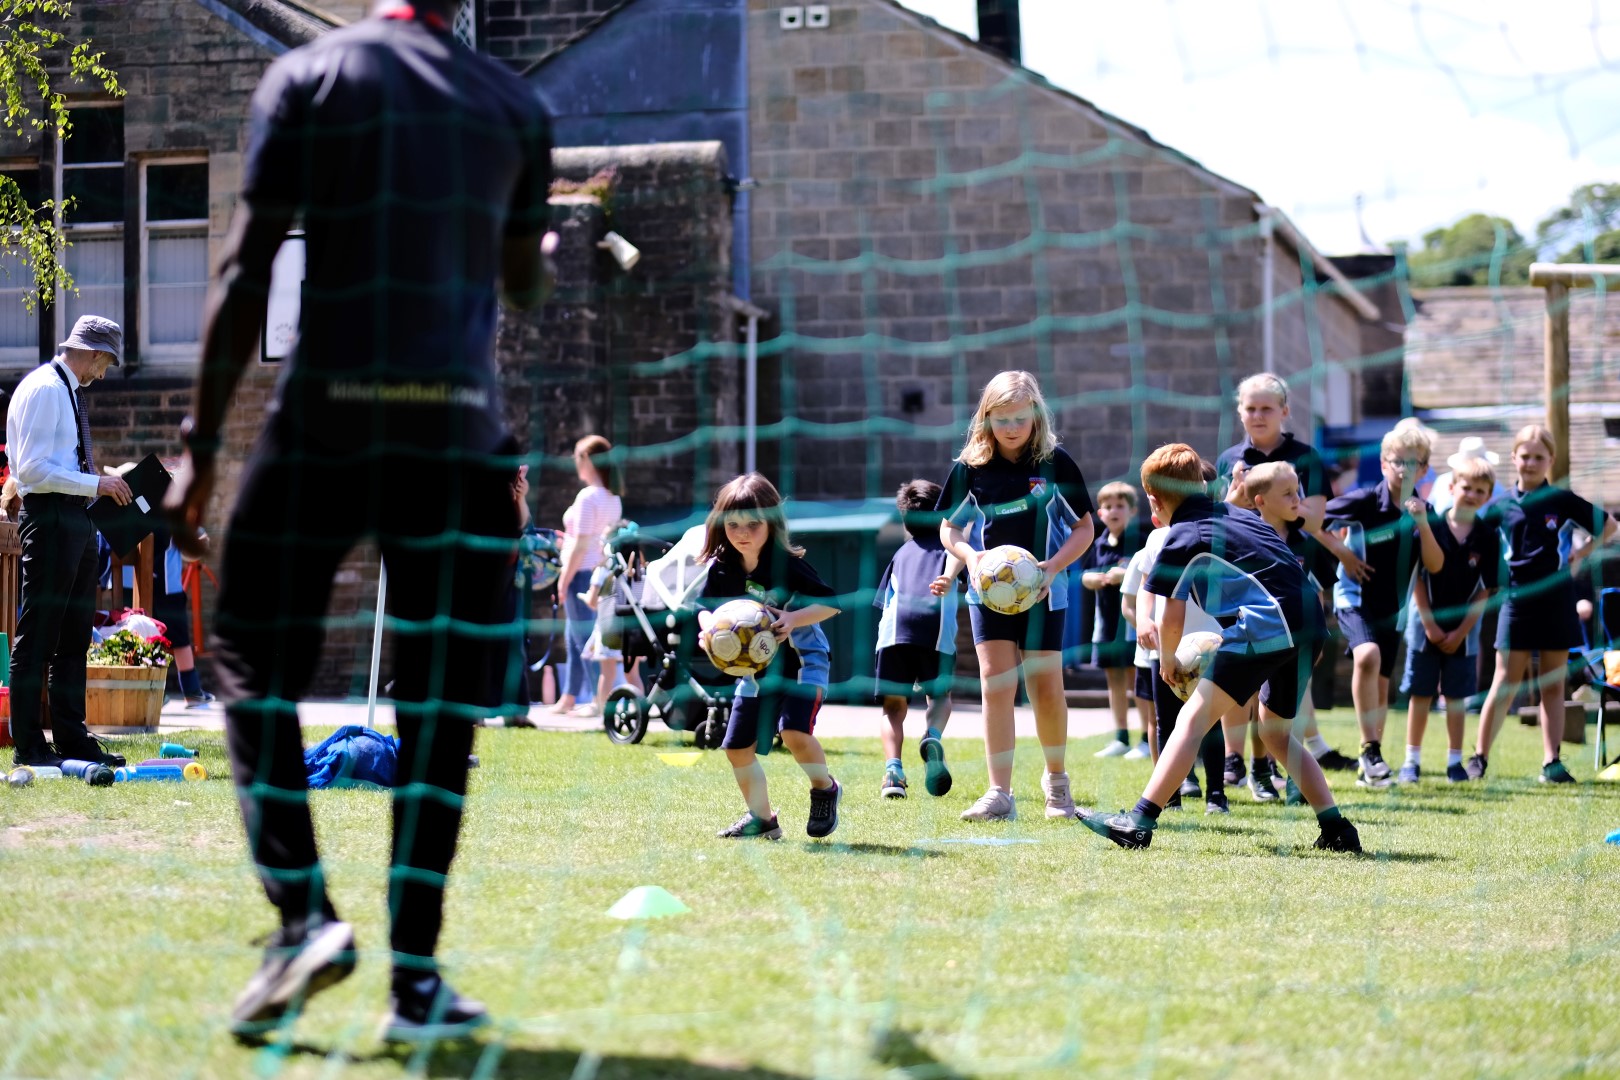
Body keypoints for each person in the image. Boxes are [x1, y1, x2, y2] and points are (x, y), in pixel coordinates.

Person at [163, 0, 555, 1043]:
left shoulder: (310, 75)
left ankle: (304, 917)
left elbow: (247, 268)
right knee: (439, 710)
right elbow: (523, 284)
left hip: (330, 416)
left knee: (247, 654)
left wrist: (201, 447)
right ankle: (415, 980)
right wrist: (536, 241)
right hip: (460, 437)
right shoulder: (513, 106)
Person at [1077, 443, 1361, 853]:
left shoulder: (1182, 536)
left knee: (1191, 719)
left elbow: (1170, 617)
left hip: (1268, 623)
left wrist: (1168, 661)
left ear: (1154, 501)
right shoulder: (1238, 515)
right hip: (1311, 624)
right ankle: (1337, 828)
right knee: (1275, 732)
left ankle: (1139, 821)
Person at [938, 370, 1095, 821]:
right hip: (988, 594)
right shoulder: (970, 467)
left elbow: (1085, 528)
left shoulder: (1055, 463)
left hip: (1044, 592)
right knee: (996, 685)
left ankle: (1057, 786)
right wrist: (971, 557)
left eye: (1019, 418)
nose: (1010, 428)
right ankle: (999, 794)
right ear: (986, 418)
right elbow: (949, 528)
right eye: (1001, 418)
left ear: (1036, 416)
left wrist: (1054, 566)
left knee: (1044, 688)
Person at [5, 315, 132, 770]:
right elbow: (32, 470)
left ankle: (72, 739)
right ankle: (29, 746)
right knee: (38, 634)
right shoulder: (45, 389)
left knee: (75, 638)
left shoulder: (68, 390)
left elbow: (59, 464)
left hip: (76, 519)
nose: (105, 374)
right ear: (95, 354)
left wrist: (97, 487)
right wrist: (95, 484)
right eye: (107, 363)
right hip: (51, 517)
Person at [1215, 372, 1357, 773]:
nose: (1258, 416)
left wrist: (1279, 499)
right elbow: (1219, 522)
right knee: (1239, 664)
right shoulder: (1229, 460)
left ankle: (1272, 757)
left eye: (1267, 408)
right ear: (1240, 412)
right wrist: (1237, 497)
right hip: (1242, 575)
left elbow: (1315, 520)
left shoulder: (1306, 457)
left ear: (1285, 411)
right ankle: (1233, 759)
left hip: (1294, 571)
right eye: (1251, 408)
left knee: (1285, 670)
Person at [691, 473, 842, 839]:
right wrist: (709, 628)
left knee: (793, 733)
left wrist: (793, 619)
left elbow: (831, 604)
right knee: (737, 748)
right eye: (733, 524)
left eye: (753, 524)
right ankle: (762, 820)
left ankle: (825, 788)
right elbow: (703, 608)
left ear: (771, 523)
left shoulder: (786, 565)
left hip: (802, 664)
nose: (742, 533)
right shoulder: (722, 567)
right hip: (756, 672)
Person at [1468, 425, 1616, 783]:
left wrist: (1581, 554)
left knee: (1552, 683)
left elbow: (1609, 525)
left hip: (1557, 601)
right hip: (1516, 602)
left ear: (1551, 459)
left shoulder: (1561, 500)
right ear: (1514, 458)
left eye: (1539, 457)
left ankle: (1552, 763)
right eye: (1525, 456)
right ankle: (1478, 758)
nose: (1531, 463)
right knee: (1505, 681)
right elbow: (1475, 544)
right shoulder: (1500, 506)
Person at [1323, 423, 1444, 790]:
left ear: (1424, 469)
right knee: (1367, 656)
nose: (1404, 469)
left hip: (1395, 609)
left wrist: (1423, 523)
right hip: (1354, 598)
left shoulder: (1427, 511)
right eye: (1397, 461)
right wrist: (1343, 552)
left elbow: (1435, 564)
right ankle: (1370, 748)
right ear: (1383, 463)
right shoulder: (1363, 501)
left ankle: (1370, 769)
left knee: (1381, 682)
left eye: (1413, 463)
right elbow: (1311, 521)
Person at [1128, 458, 1228, 814]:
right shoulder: (1157, 539)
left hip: (1208, 643)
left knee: (1209, 721)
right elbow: (1146, 588)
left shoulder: (1217, 533)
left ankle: (1216, 795)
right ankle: (1170, 797)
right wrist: (1143, 620)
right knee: (1165, 721)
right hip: (1165, 647)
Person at [1398, 458, 1499, 784]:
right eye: (1466, 487)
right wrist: (1429, 625)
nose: (1472, 494)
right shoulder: (1431, 527)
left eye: (1480, 490)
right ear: (1452, 487)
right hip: (1424, 626)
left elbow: (1485, 591)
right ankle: (1411, 761)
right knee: (1421, 693)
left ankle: (1455, 762)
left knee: (1456, 698)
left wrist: (1461, 632)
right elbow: (1416, 579)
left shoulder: (1488, 537)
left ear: (1488, 496)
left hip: (1463, 633)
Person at [872, 479, 963, 800]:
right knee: (939, 696)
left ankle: (893, 773)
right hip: (935, 630)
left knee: (892, 707)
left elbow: (883, 601)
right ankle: (932, 735)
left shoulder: (900, 553)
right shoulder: (954, 549)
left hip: (893, 632)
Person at [551, 434, 624, 717]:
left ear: (588, 460)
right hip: (599, 575)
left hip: (581, 573)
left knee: (585, 640)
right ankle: (568, 698)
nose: (575, 463)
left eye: (577, 457)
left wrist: (563, 579)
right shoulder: (613, 497)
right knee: (574, 637)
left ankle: (596, 700)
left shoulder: (588, 496)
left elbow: (582, 545)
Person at [1083, 482, 1146, 759]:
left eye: (1120, 506)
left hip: (1133, 626)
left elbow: (1150, 576)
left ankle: (1147, 739)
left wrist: (1126, 575)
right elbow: (1085, 575)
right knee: (1115, 680)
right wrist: (1092, 579)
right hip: (1106, 626)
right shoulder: (1098, 544)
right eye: (1108, 507)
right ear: (1100, 513)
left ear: (1133, 511)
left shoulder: (1141, 541)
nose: (1114, 511)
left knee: (1138, 682)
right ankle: (1121, 737)